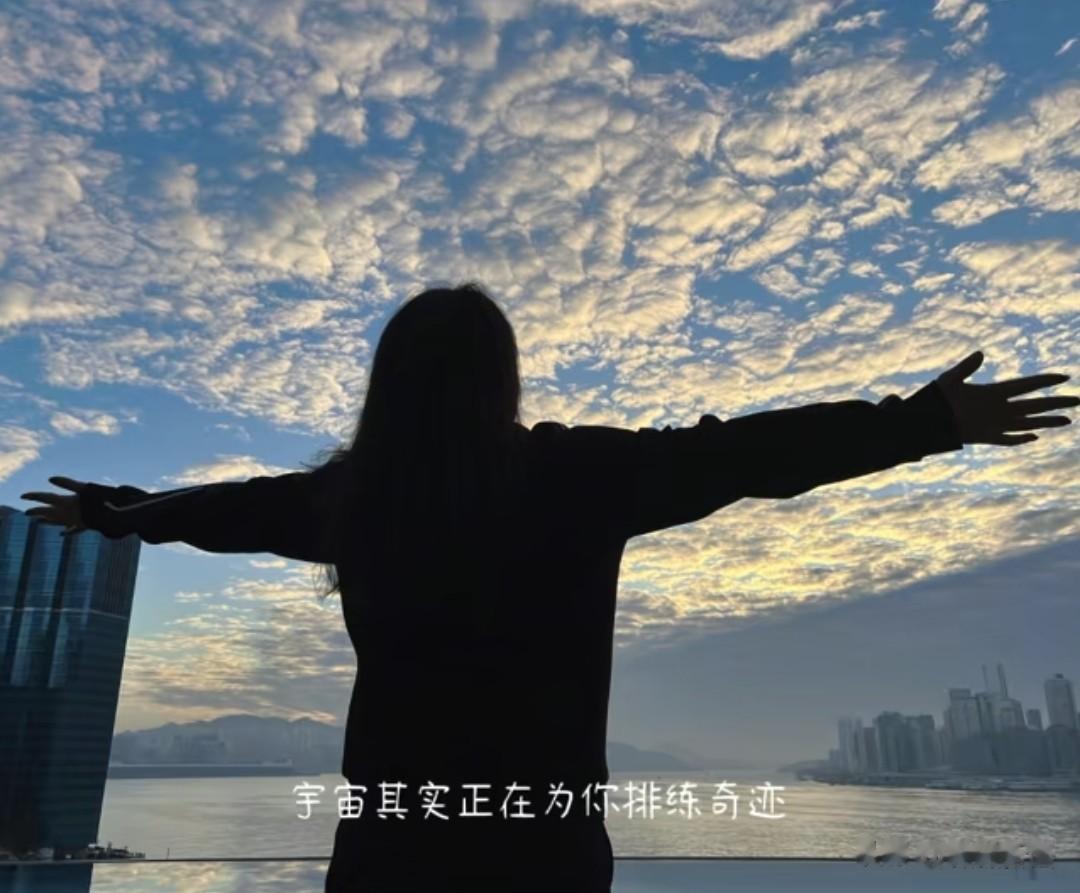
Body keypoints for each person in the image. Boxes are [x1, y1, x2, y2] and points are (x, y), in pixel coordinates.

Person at [20, 283, 1077, 892]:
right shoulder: (573, 476)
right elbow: (746, 453)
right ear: (504, 379)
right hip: (545, 845)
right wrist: (923, 423)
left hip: (392, 843)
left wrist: (118, 509)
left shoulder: (350, 501)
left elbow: (225, 507)